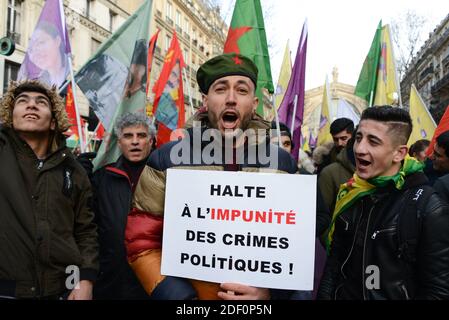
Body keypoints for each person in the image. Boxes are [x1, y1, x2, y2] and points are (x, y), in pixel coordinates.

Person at [125, 53, 299, 300]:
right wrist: (185, 300)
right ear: (206, 100)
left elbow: (296, 249)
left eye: (241, 90)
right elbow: (142, 243)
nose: (230, 98)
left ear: (254, 102)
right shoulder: (167, 160)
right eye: (220, 89)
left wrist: (270, 294)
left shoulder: (282, 164)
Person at [318, 106, 449, 300]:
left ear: (399, 153)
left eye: (373, 141)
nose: (360, 149)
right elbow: (334, 268)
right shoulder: (352, 194)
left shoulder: (427, 207)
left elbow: (438, 290)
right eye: (359, 138)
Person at [0, 80, 98, 299]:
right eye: (22, 101)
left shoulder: (74, 171)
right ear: (10, 116)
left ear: (53, 122)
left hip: (61, 290)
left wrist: (85, 279)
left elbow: (86, 231)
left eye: (41, 102)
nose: (31, 105)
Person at [81, 112, 155, 300]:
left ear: (152, 141)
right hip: (110, 283)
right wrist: (79, 179)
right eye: (128, 136)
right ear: (119, 142)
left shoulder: (167, 177)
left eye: (142, 135)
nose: (135, 141)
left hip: (154, 282)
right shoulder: (101, 178)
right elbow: (83, 225)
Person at [19, 21, 68, 87]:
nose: (35, 52)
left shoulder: (73, 75)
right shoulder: (38, 81)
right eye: (30, 49)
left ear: (57, 41)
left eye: (41, 42)